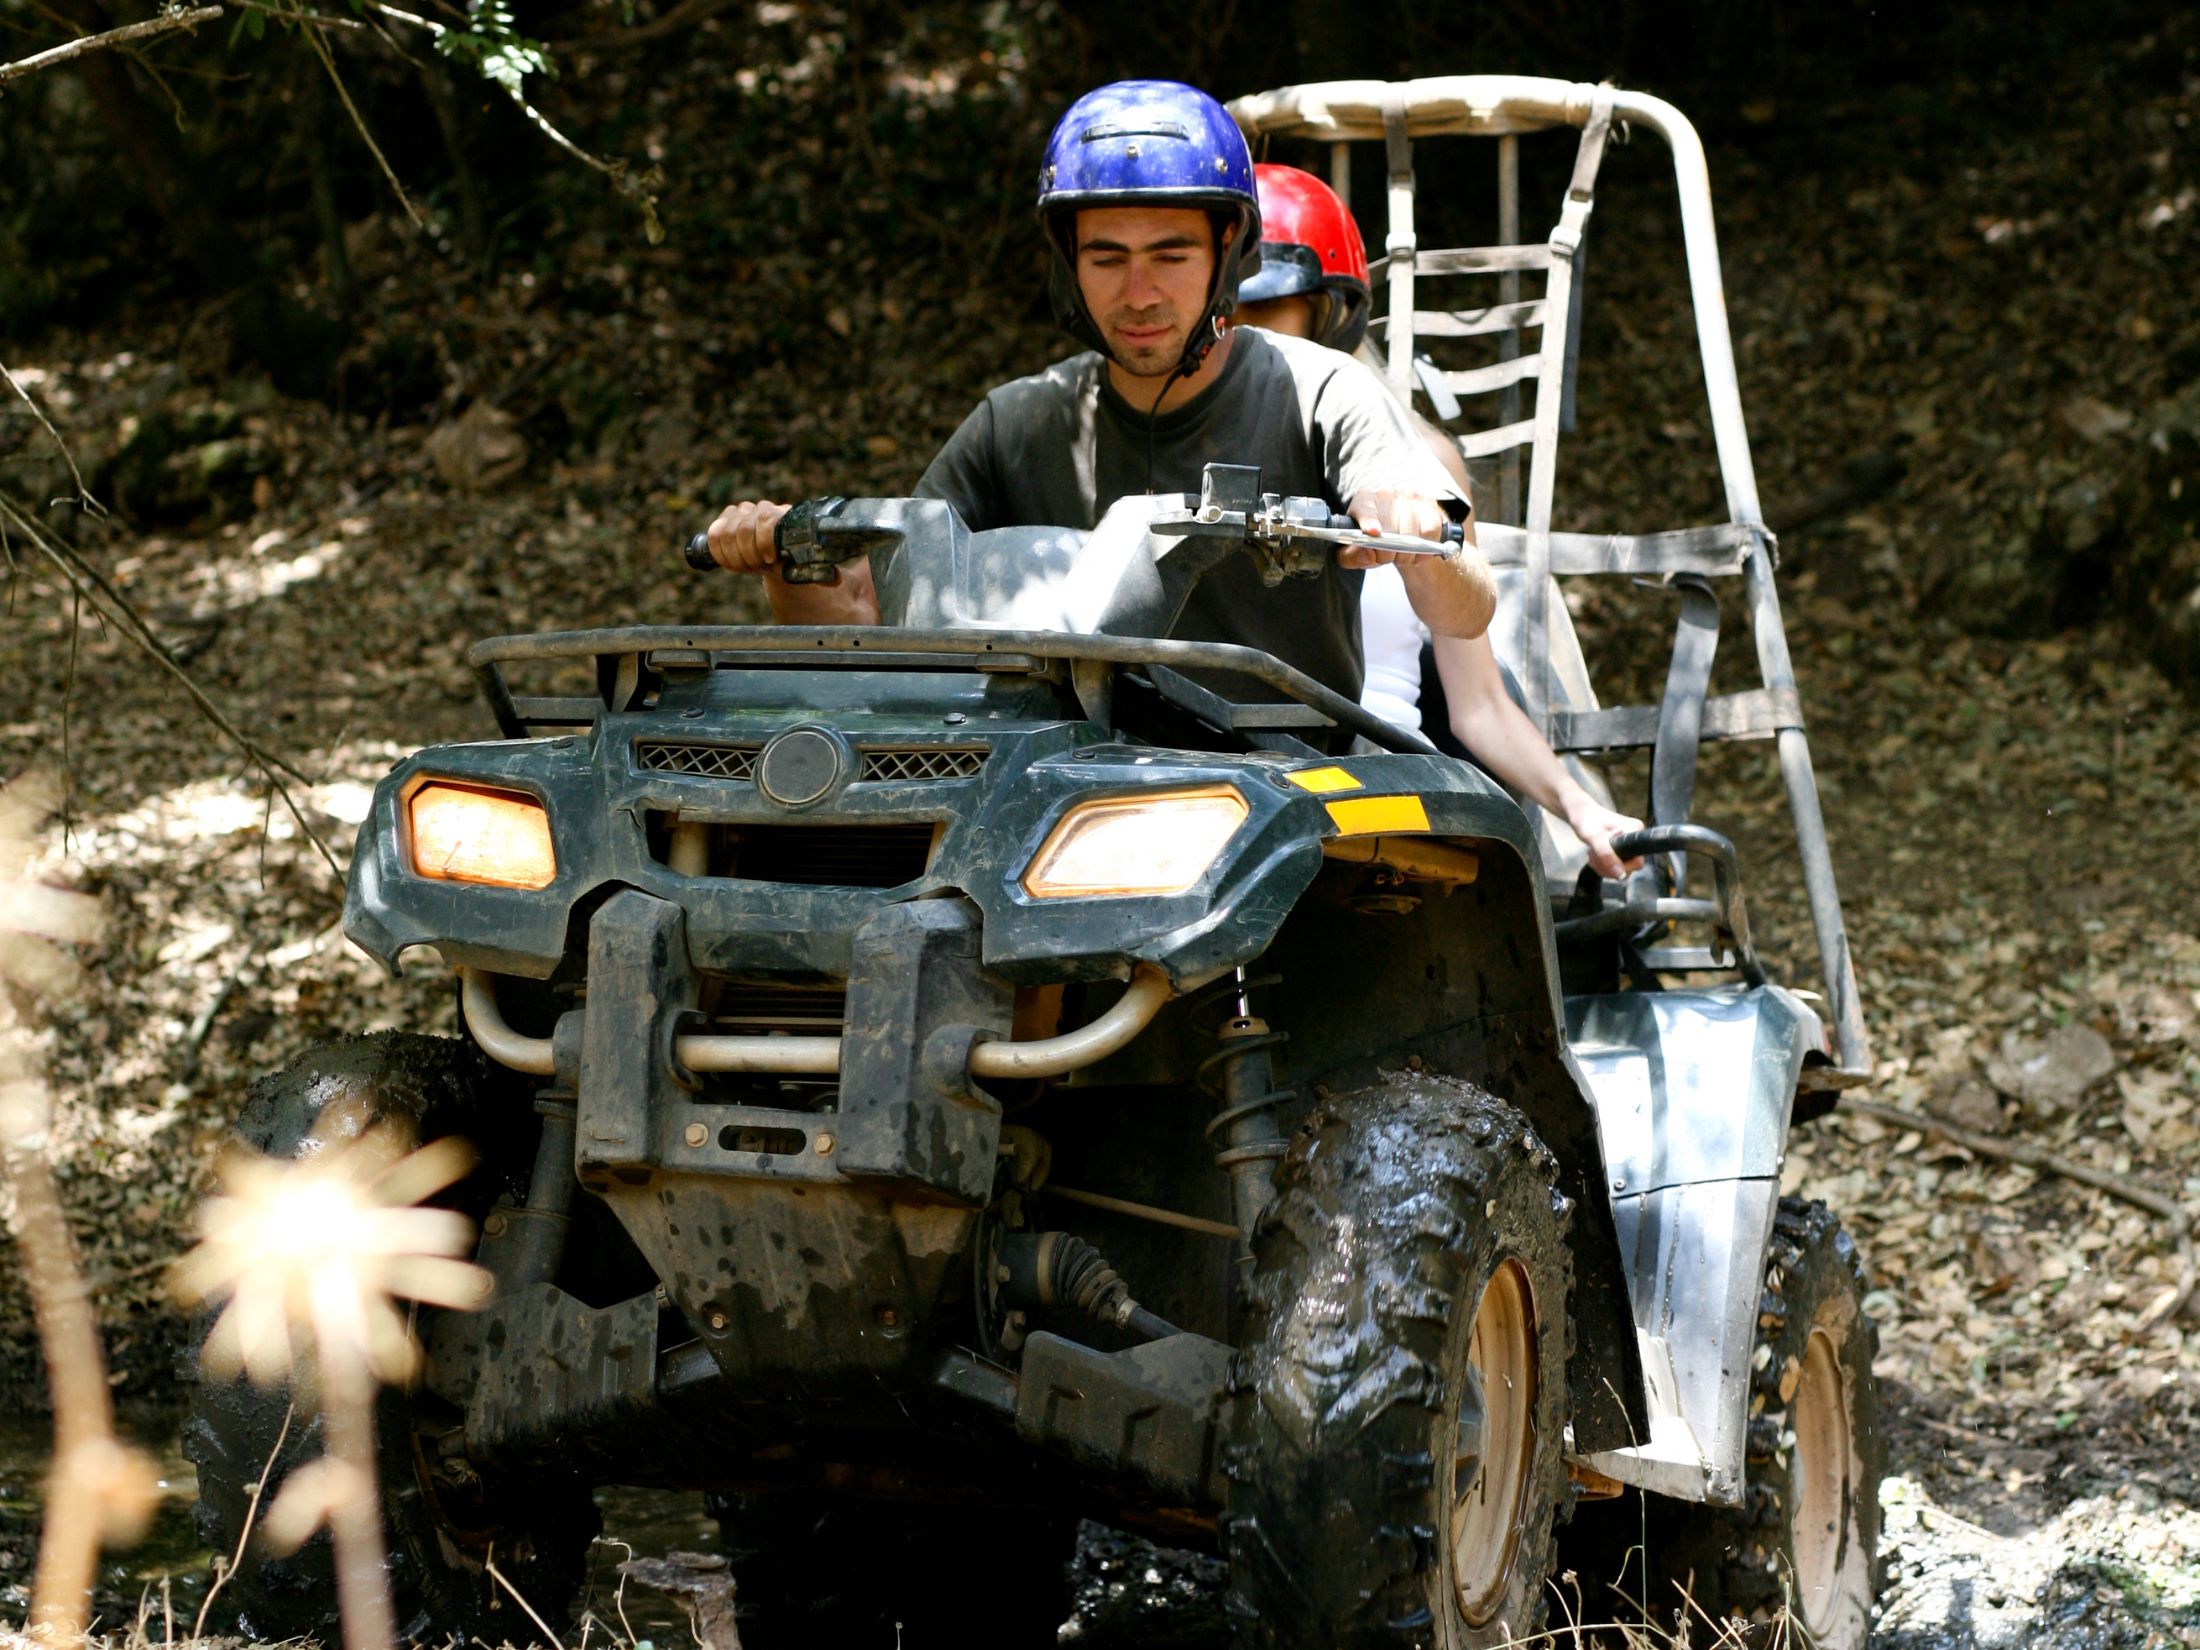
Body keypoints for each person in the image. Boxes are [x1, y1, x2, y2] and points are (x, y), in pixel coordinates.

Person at [699, 79, 1491, 707]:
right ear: (1067, 264)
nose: (1139, 294)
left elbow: (1467, 609)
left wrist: (1417, 537)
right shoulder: (1016, 423)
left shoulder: (1321, 390)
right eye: (1107, 258)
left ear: (1226, 254)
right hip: (1053, 782)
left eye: (1171, 256)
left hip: (1278, 777)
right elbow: (876, 625)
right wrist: (784, 560)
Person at [1234, 163, 1643, 880]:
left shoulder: (1427, 464)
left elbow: (1479, 701)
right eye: (1223, 311)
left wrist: (1577, 807)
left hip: (1374, 792)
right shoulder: (1184, 465)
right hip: (1218, 788)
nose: (1240, 333)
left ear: (1328, 312)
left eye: (1264, 309)